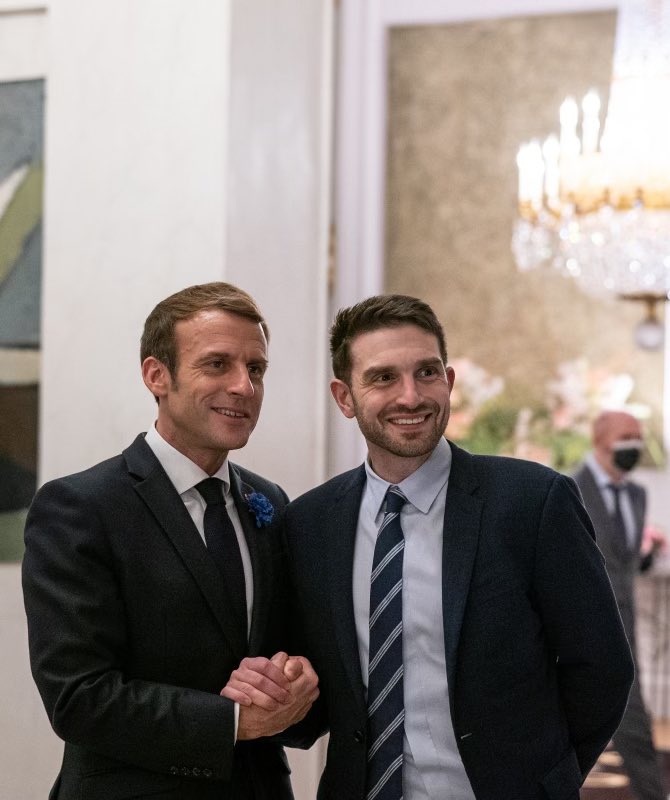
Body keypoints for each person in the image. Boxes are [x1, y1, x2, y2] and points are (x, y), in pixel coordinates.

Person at [276, 294, 634, 800]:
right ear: (344, 397)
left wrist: (548, 779)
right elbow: (318, 696)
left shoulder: (532, 502)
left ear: (448, 380)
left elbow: (601, 668)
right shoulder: (310, 523)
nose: (411, 396)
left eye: (426, 373)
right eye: (383, 377)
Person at [22, 282, 319, 800]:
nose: (244, 387)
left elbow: (283, 660)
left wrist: (293, 684)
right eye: (217, 365)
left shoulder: (269, 502)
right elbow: (78, 697)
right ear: (156, 375)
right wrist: (233, 722)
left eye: (256, 368)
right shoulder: (80, 507)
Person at [574, 410, 667, 800]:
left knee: (632, 718)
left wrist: (648, 557)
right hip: (579, 626)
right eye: (628, 436)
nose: (636, 444)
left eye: (639, 436)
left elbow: (621, 561)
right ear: (602, 440)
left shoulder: (636, 493)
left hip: (623, 625)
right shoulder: (568, 488)